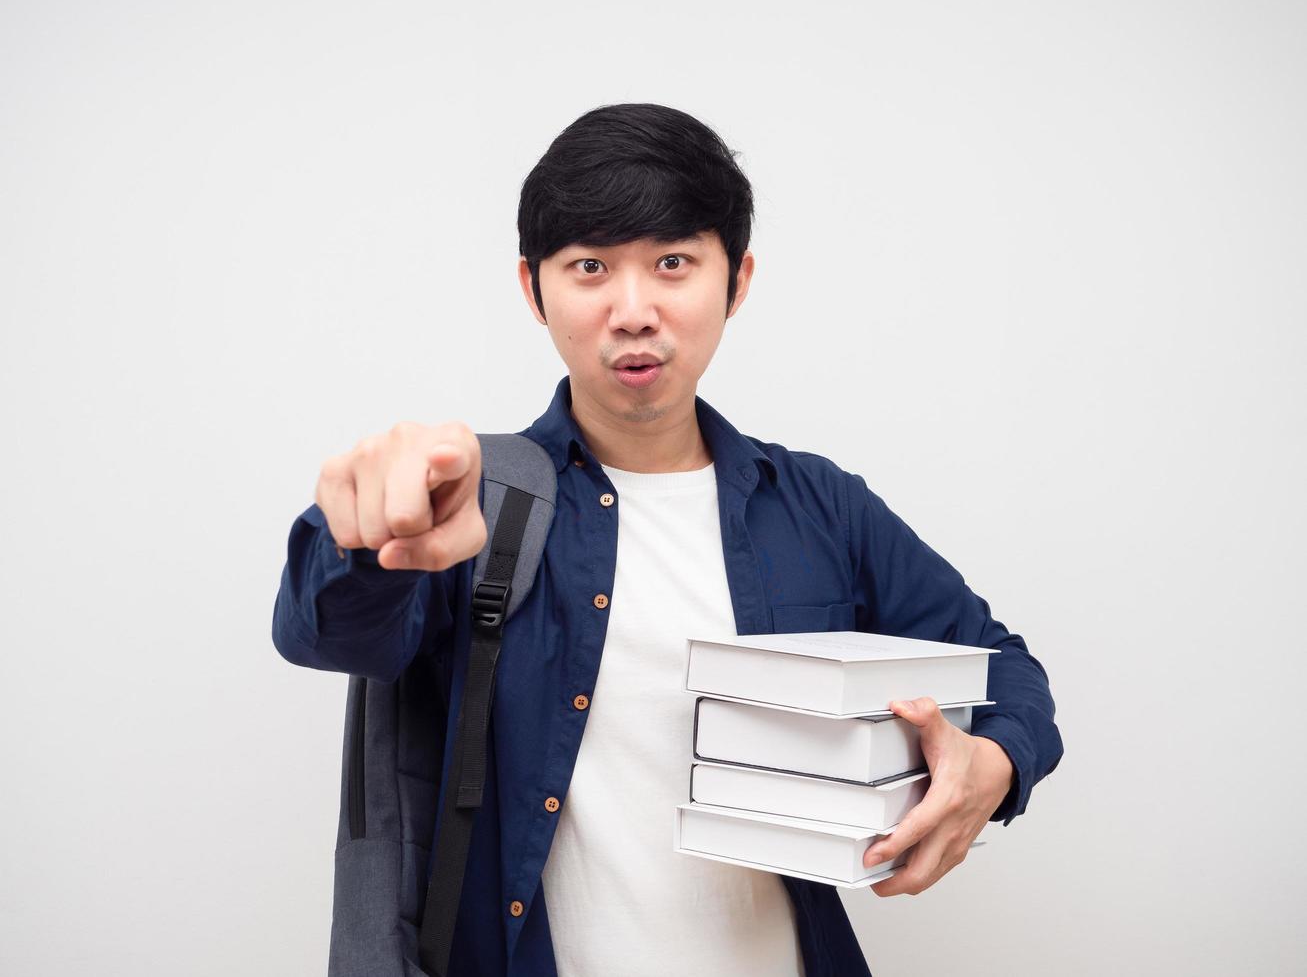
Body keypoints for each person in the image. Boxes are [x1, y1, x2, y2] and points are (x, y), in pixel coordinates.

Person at [271, 102, 1064, 977]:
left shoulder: (818, 506)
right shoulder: (477, 502)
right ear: (534, 289)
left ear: (738, 279)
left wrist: (991, 763)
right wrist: (369, 530)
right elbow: (329, 631)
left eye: (673, 263)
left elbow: (1004, 669)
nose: (633, 310)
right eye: (589, 267)